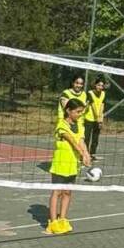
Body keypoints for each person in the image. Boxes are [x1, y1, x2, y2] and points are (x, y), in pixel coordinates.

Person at [48, 98, 91, 234]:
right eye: (78, 112)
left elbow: (81, 141)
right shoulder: (62, 125)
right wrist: (82, 154)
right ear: (68, 111)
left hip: (73, 164)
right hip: (61, 162)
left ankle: (63, 219)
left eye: (81, 112)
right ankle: (53, 222)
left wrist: (87, 154)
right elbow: (72, 141)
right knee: (57, 192)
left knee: (68, 192)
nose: (80, 114)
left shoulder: (80, 125)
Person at [83, 77, 106, 160]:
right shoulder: (89, 93)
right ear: (95, 85)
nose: (100, 87)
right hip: (89, 119)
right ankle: (84, 156)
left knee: (95, 138)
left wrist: (101, 119)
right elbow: (93, 107)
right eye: (99, 85)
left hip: (98, 119)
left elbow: (102, 106)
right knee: (87, 138)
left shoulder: (103, 94)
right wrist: (97, 118)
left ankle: (92, 155)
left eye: (102, 86)